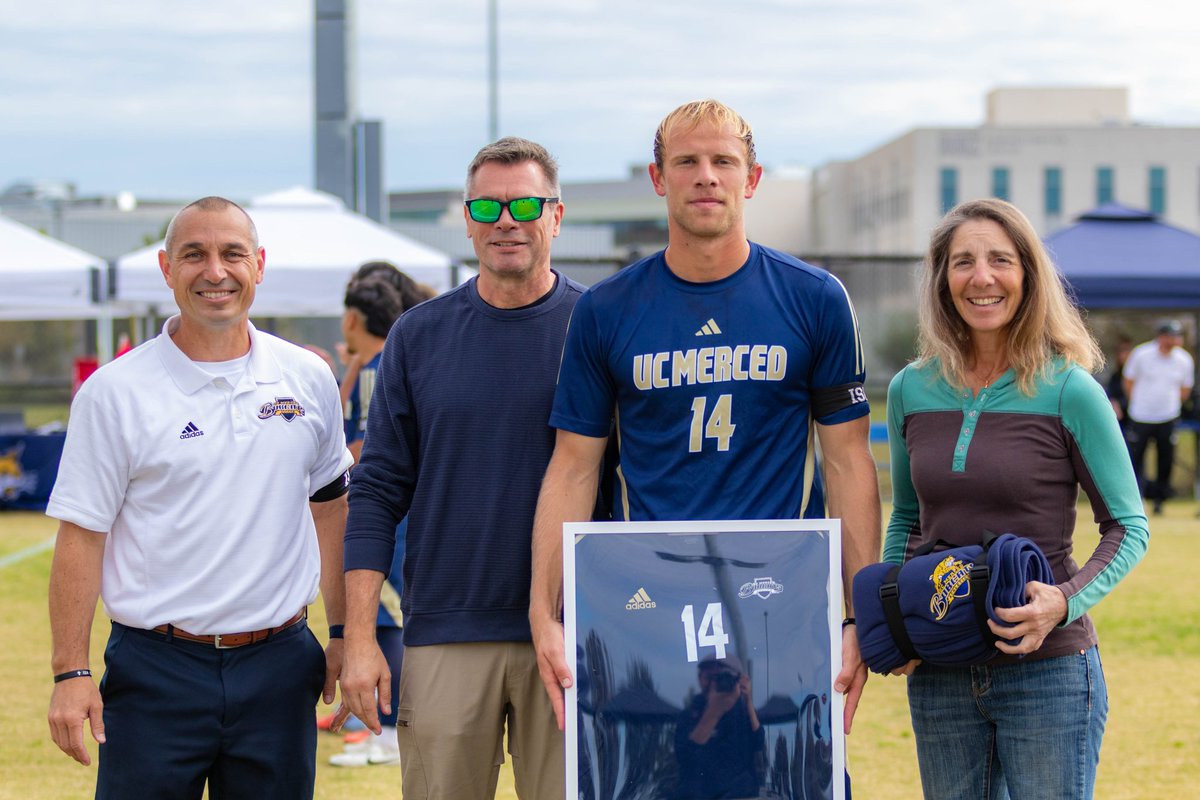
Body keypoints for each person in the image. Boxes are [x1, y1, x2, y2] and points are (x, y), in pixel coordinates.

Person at [529, 99, 881, 742]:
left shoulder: (814, 298)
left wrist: (859, 617)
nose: (706, 176)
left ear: (751, 178)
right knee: (661, 771)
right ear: (658, 178)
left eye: (724, 161)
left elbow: (847, 462)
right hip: (650, 587)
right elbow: (574, 466)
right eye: (686, 161)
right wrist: (543, 610)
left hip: (781, 588)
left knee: (787, 774)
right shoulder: (607, 309)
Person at [45, 196, 353, 798]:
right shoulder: (114, 393)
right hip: (154, 669)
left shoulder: (308, 378)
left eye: (232, 254)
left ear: (258, 265)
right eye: (194, 255)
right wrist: (71, 671)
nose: (215, 272)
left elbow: (332, 510)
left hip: (280, 666)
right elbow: (82, 536)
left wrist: (343, 633)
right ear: (166, 268)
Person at [338, 137, 585, 799]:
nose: (507, 219)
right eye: (488, 205)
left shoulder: (599, 327)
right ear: (468, 218)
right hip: (447, 631)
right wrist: (360, 637)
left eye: (526, 203)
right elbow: (377, 492)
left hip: (573, 634)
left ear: (556, 216)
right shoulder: (419, 336)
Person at [884, 198, 1149, 799]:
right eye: (963, 262)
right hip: (940, 668)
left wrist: (1063, 601)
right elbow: (907, 519)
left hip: (1048, 671)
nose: (982, 278)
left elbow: (1128, 526)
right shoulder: (910, 388)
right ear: (941, 278)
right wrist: (900, 622)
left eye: (1000, 260)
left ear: (1028, 275)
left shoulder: (1069, 389)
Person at [326, 273, 410, 768]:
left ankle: (389, 731)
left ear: (354, 317)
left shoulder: (383, 370)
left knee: (387, 617)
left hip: (387, 514)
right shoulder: (372, 366)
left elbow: (362, 447)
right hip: (383, 511)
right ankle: (380, 726)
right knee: (379, 618)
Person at [1123, 320, 1195, 514]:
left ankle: (1159, 501)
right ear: (1161, 336)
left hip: (1168, 416)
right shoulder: (1141, 354)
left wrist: (1170, 405)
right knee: (1136, 459)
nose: (1175, 340)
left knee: (1166, 460)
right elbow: (1129, 382)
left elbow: (1185, 389)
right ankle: (1136, 499)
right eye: (1171, 335)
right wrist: (1139, 403)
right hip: (1141, 415)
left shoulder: (1184, 359)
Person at [674, 655, 765, 800]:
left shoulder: (743, 711)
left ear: (738, 682)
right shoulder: (690, 713)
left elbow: (759, 742)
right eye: (708, 677)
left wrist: (748, 700)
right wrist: (714, 712)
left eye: (722, 677)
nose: (714, 683)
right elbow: (684, 758)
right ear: (699, 679)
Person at [1102, 335, 1132, 438]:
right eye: (1120, 351)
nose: (1123, 355)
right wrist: (1114, 403)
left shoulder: (1138, 374)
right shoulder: (1116, 376)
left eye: (1126, 351)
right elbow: (1111, 393)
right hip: (1120, 418)